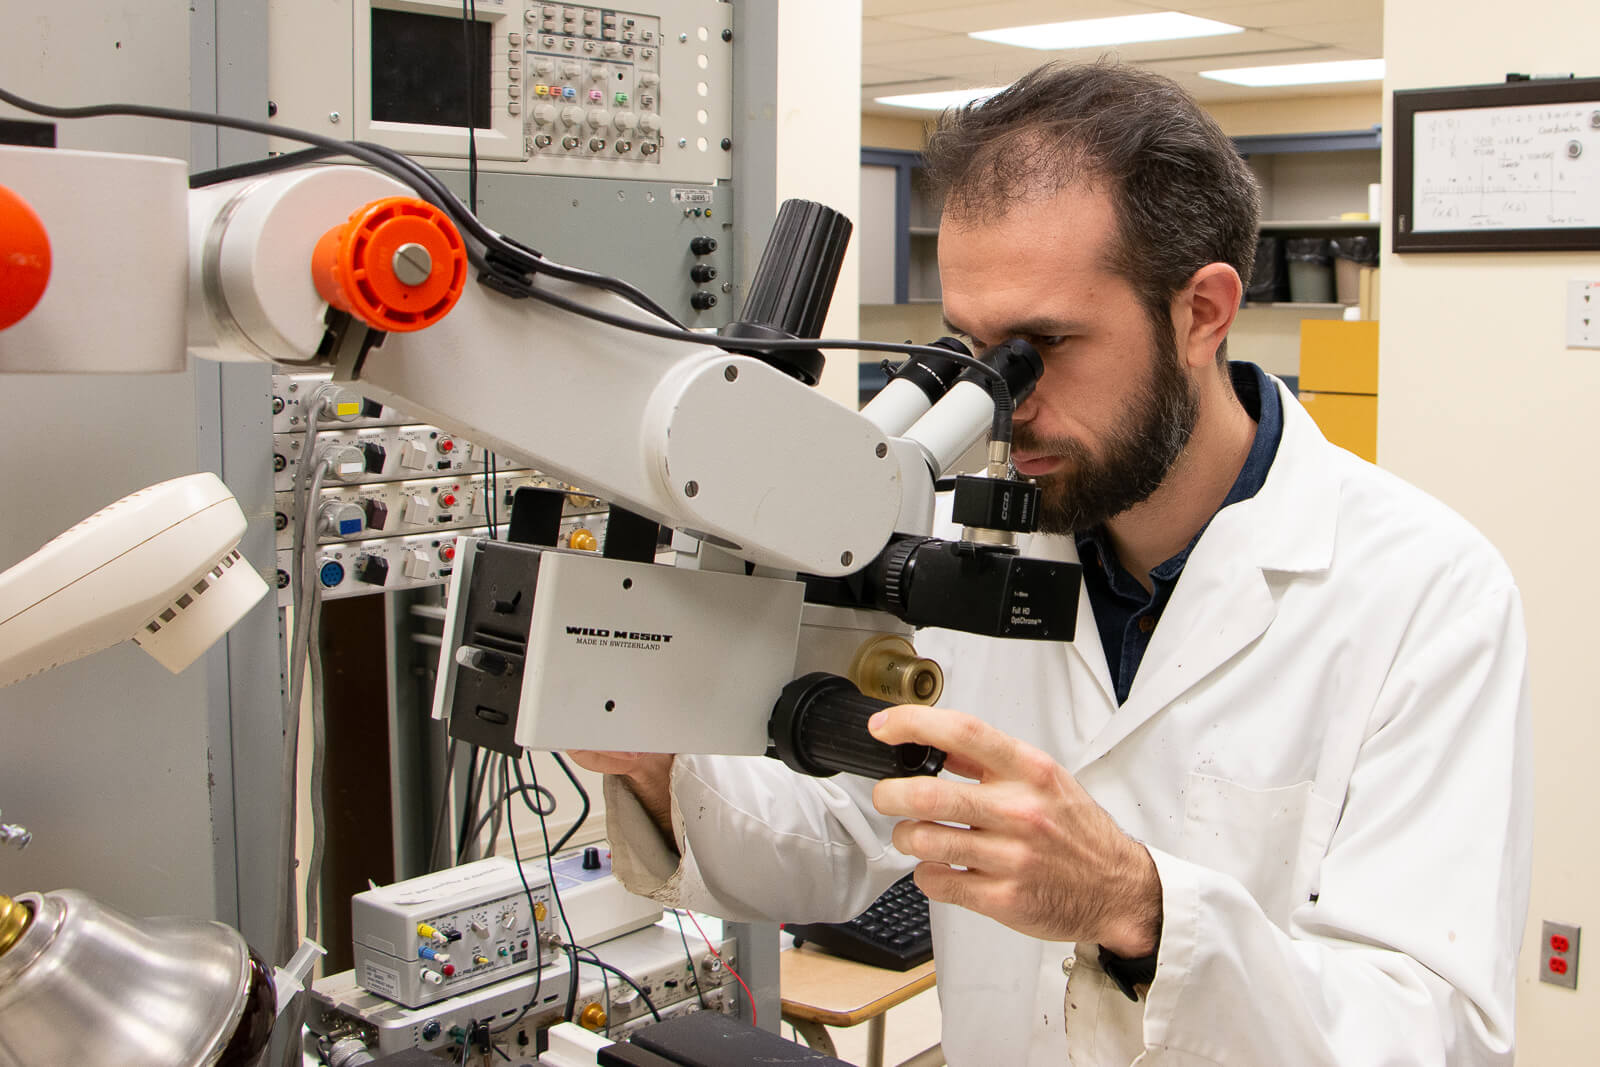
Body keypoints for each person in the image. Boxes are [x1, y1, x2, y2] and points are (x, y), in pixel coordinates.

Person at [572, 61, 1531, 1065]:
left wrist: (1135, 900)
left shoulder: (1427, 591)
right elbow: (842, 833)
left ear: (1201, 312)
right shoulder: (947, 540)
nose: (998, 401)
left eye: (1040, 347)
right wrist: (653, 762)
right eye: (972, 350)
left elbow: (1434, 1028)